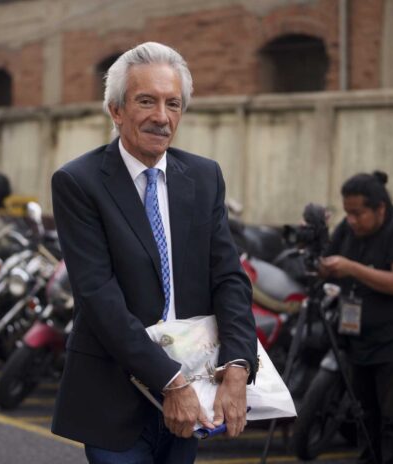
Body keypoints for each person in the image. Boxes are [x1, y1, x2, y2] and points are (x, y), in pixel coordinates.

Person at [50, 42, 257, 463]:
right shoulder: (78, 182)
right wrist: (171, 381)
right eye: (146, 101)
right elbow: (98, 297)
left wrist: (239, 364)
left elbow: (229, 278)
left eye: (173, 104)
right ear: (116, 110)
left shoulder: (204, 177)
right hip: (114, 397)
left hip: (196, 394)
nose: (162, 117)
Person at [320, 171, 393, 464]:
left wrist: (351, 268)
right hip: (360, 339)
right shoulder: (349, 229)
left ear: (380, 208)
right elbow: (327, 261)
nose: (352, 220)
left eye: (358, 213)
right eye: (347, 213)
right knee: (366, 414)